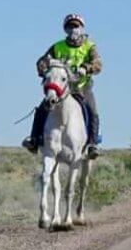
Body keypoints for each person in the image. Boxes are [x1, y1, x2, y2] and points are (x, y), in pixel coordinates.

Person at [22, 13, 102, 158]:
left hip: (82, 87)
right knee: (42, 109)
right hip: (61, 89)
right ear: (65, 29)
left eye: (76, 26)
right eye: (70, 26)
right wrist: (45, 69)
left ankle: (92, 144)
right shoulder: (57, 47)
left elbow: (98, 64)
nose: (73, 29)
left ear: (82, 28)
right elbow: (41, 62)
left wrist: (86, 67)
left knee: (93, 111)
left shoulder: (90, 46)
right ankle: (34, 139)